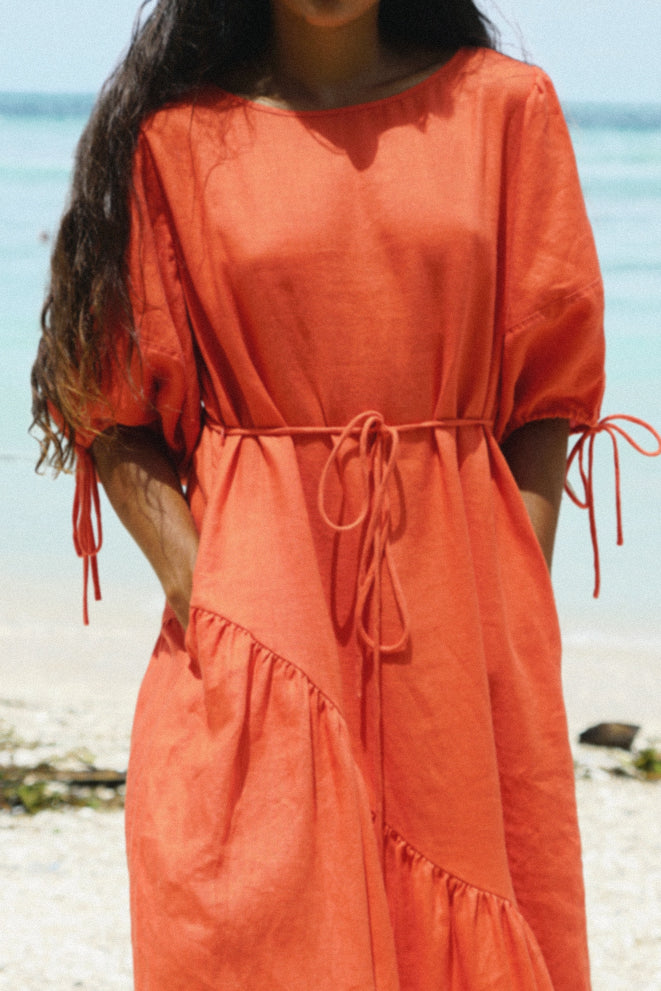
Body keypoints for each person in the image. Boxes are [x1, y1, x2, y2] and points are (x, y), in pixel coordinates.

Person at [30, 1, 659, 989]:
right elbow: (112, 409)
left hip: (459, 608)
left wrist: (509, 579)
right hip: (260, 608)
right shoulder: (178, 138)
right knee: (255, 920)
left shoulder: (504, 108)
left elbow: (550, 389)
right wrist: (207, 600)